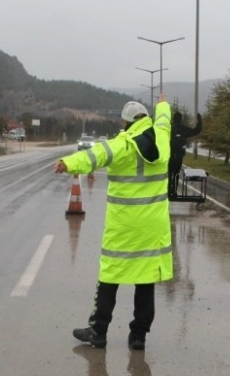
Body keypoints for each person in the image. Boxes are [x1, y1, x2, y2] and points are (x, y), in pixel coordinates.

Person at [54, 94, 173, 350]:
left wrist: (68, 163)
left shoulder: (123, 144)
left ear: (127, 123)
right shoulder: (162, 138)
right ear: (146, 119)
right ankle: (138, 336)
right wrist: (162, 103)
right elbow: (164, 121)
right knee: (145, 279)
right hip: (153, 226)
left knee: (110, 275)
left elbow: (95, 155)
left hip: (124, 226)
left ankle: (98, 331)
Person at [168, 112, 202, 198]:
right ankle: (174, 191)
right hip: (179, 155)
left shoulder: (169, 128)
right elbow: (196, 131)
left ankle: (168, 191)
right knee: (176, 173)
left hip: (169, 155)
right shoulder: (183, 129)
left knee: (169, 173)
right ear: (181, 119)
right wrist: (199, 121)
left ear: (173, 119)